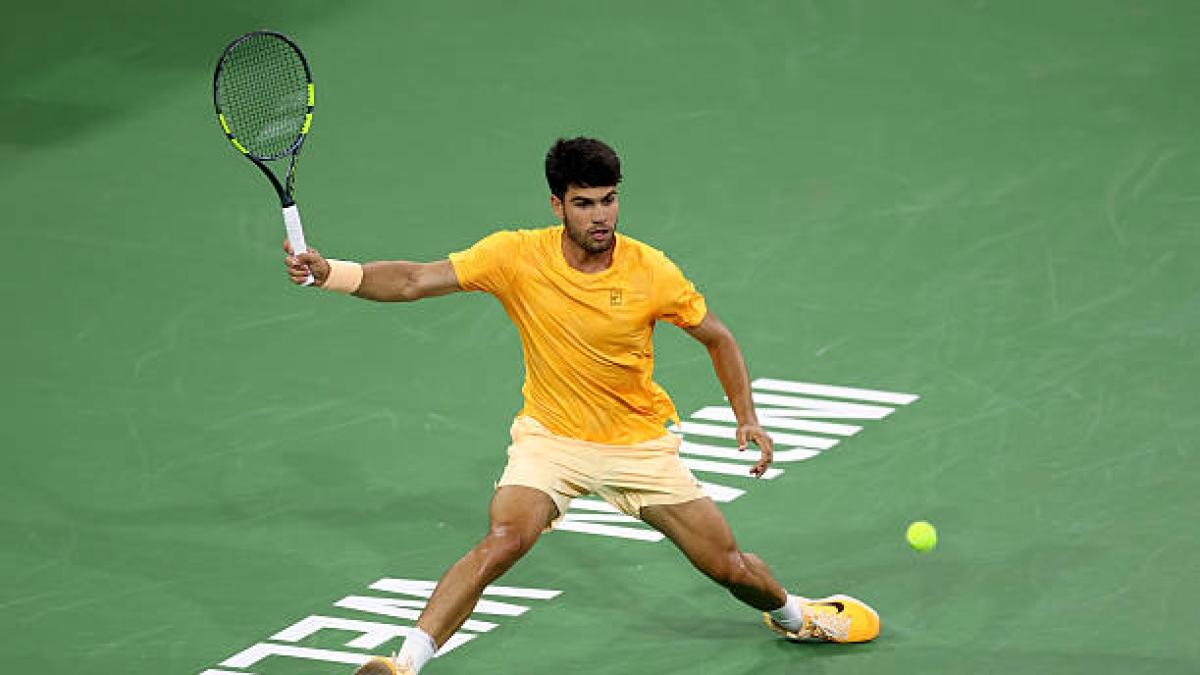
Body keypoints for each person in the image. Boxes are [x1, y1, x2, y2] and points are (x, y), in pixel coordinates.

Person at [283, 137, 880, 675]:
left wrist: (745, 416)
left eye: (609, 201)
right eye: (585, 203)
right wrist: (333, 272)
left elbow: (717, 337)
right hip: (552, 440)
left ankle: (797, 616)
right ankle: (403, 665)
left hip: (637, 445)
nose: (601, 217)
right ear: (556, 206)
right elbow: (413, 280)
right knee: (503, 540)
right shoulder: (515, 256)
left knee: (728, 566)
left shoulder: (651, 270)